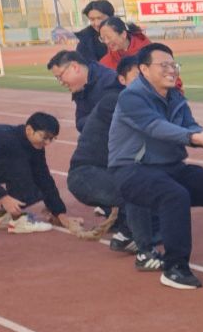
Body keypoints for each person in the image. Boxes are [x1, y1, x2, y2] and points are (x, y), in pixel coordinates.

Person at [110, 43, 203, 290]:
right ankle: (175, 269)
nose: (171, 70)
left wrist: (202, 134)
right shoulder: (131, 97)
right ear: (144, 69)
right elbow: (154, 126)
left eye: (174, 65)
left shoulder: (175, 97)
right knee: (174, 196)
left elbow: (189, 125)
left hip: (171, 168)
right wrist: (192, 137)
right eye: (164, 65)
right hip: (132, 171)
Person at [66, 54, 154, 256]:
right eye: (137, 76)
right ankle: (144, 252)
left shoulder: (136, 100)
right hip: (87, 176)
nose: (144, 80)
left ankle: (126, 234)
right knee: (139, 192)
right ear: (122, 80)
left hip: (103, 172)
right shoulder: (117, 101)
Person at [46, 48, 124, 238]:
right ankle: (124, 219)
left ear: (75, 67)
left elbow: (116, 117)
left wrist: (95, 121)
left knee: (83, 179)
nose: (61, 82)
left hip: (121, 145)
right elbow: (80, 121)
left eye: (60, 76)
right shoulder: (82, 87)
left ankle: (142, 222)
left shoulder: (109, 83)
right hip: (103, 144)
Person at [73, 0, 117, 65]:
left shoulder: (124, 32)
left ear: (111, 17)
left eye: (100, 18)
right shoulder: (84, 39)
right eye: (92, 19)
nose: (97, 23)